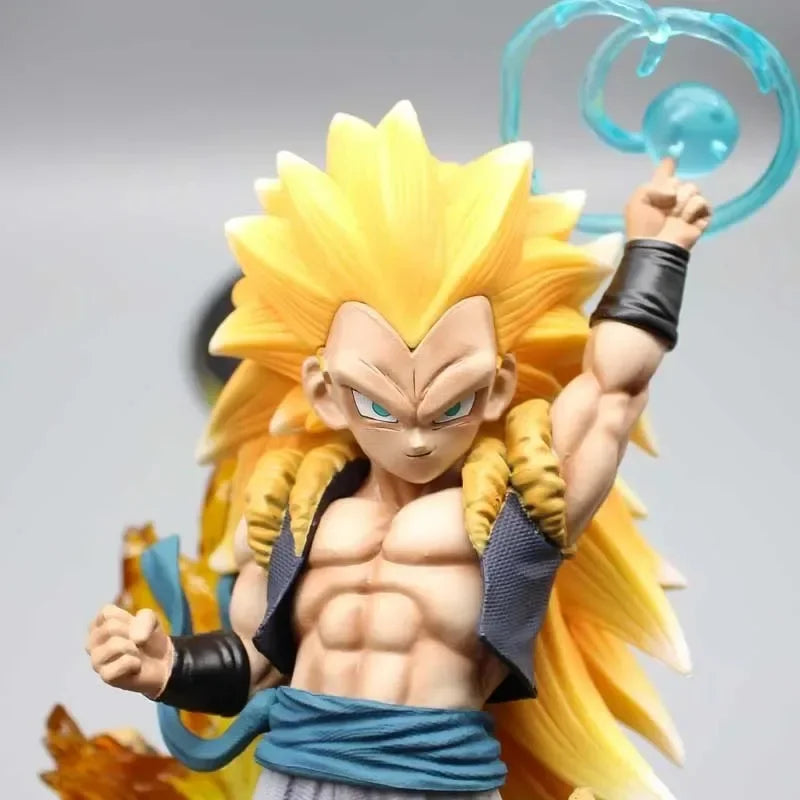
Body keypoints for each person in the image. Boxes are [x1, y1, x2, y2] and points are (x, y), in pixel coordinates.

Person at [86, 100, 710, 800]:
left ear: (498, 387)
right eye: (380, 406)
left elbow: (612, 388)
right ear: (325, 392)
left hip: (434, 782)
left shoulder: (522, 510)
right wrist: (166, 667)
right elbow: (258, 666)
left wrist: (657, 252)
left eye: (451, 405)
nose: (415, 437)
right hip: (293, 779)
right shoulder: (296, 512)